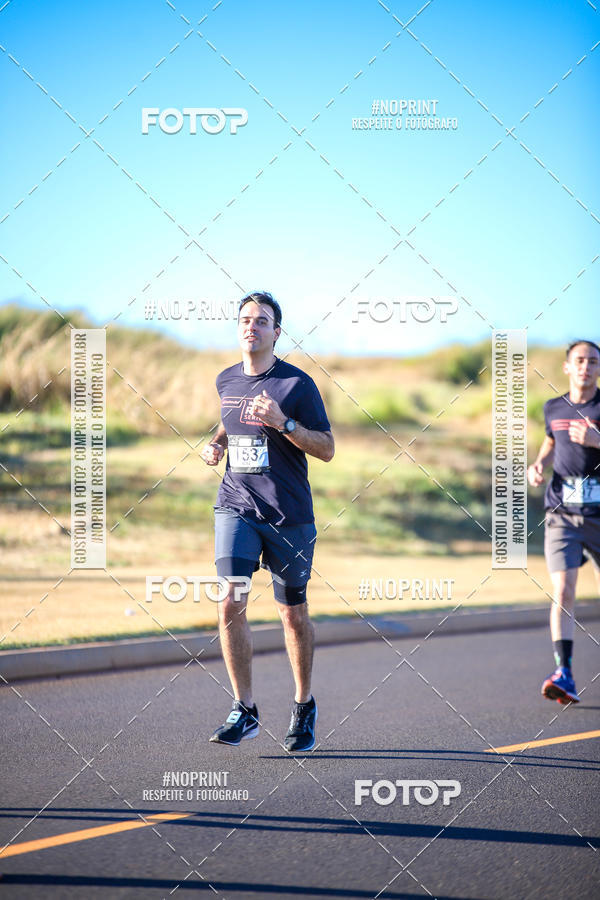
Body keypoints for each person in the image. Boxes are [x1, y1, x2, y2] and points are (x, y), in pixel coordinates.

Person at [201, 291, 334, 751]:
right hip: (236, 504)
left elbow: (328, 449)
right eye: (245, 319)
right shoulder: (226, 380)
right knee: (228, 601)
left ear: (277, 332)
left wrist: (284, 424)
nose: (251, 326)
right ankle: (245, 708)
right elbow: (229, 419)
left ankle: (303, 705)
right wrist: (217, 444)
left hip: (288, 515)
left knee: (292, 614)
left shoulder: (297, 386)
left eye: (262, 321)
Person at [527, 339, 600, 704]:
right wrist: (539, 463)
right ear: (567, 367)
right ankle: (565, 673)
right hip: (562, 514)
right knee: (563, 591)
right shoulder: (554, 407)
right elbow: (550, 441)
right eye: (580, 361)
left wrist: (596, 439)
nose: (586, 366)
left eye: (592, 361)